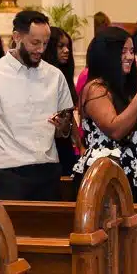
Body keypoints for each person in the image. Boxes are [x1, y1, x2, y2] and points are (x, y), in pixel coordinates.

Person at [0, 11, 74, 201]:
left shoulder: (55, 76)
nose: (41, 49)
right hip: (8, 175)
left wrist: (63, 127)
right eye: (35, 43)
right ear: (17, 37)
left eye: (45, 43)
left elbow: (65, 130)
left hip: (48, 171)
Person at [74, 27, 137, 202]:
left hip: (133, 169)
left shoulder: (125, 89)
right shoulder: (95, 89)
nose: (130, 56)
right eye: (123, 51)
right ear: (107, 54)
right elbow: (115, 130)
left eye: (131, 51)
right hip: (104, 174)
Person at [42, 27, 82, 177]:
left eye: (68, 47)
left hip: (63, 141)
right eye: (60, 47)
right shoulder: (46, 76)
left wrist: (80, 145)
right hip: (48, 143)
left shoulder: (64, 75)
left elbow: (69, 114)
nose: (66, 50)